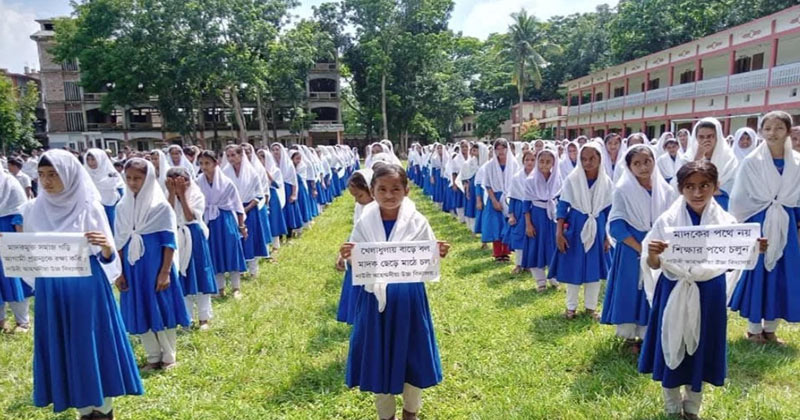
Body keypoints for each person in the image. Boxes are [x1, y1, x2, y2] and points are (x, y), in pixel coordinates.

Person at [638, 160, 767, 420]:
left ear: (716, 187)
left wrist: (750, 250)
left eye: (704, 186)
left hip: (709, 291)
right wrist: (652, 254)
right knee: (671, 339)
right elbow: (653, 264)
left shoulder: (726, 222)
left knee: (702, 347)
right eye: (690, 186)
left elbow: (731, 264)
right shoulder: (668, 220)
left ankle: (693, 406)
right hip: (674, 287)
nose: (697, 193)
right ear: (681, 189)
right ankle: (672, 404)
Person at [26, 150, 142, 419]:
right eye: (42, 175)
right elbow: (29, 254)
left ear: (69, 174)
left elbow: (108, 254)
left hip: (86, 289)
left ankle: (103, 408)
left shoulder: (89, 206)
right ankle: (81, 408)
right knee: (66, 345)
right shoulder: (33, 209)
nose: (47, 181)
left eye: (54, 174)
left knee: (90, 341)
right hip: (52, 290)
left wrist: (103, 246)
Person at [339, 163, 449, 420]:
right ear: (373, 191)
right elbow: (358, 259)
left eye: (395, 189)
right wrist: (349, 256)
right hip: (375, 302)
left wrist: (437, 252)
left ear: (406, 190)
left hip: (408, 300)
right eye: (383, 189)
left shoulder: (418, 221)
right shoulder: (365, 221)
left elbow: (427, 256)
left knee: (412, 355)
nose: (389, 195)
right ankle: (385, 415)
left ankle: (411, 412)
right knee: (379, 355)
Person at [729, 111, 800, 344]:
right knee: (757, 274)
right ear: (761, 131)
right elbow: (740, 199)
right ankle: (753, 329)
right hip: (758, 224)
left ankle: (770, 328)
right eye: (767, 128)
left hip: (786, 225)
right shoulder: (752, 163)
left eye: (779, 128)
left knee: (781, 274)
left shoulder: (797, 163)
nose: (772, 133)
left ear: (788, 131)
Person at [115, 158, 191, 371]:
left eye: (137, 178)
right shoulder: (122, 206)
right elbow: (119, 241)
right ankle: (152, 355)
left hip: (155, 266)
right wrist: (119, 271)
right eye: (128, 178)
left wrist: (165, 271)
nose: (132, 183)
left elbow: (169, 242)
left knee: (161, 307)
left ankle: (169, 355)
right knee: (141, 308)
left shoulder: (160, 207)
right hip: (133, 267)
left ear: (147, 179)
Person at [601, 145, 677, 352]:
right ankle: (630, 337)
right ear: (629, 167)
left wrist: (658, 246)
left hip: (658, 248)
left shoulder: (666, 190)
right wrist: (640, 247)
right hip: (631, 249)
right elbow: (616, 225)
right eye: (637, 163)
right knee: (631, 290)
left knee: (655, 289)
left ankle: (648, 336)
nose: (643, 167)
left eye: (647, 161)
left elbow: (672, 220)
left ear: (654, 161)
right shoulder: (623, 190)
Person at [549, 142, 612, 320]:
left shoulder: (606, 182)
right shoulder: (573, 179)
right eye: (583, 159)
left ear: (600, 158)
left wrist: (607, 237)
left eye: (592, 158)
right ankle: (571, 307)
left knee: (594, 270)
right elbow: (562, 207)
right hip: (576, 226)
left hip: (598, 227)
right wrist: (559, 233)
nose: (588, 163)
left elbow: (608, 211)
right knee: (574, 267)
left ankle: (591, 307)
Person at [166, 167, 217, 331]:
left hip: (194, 234)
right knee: (182, 275)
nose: (180, 184)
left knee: (200, 274)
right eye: (174, 182)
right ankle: (186, 317)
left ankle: (204, 317)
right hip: (177, 235)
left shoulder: (196, 194)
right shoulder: (166, 196)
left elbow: (190, 216)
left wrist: (182, 195)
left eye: (183, 180)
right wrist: (172, 194)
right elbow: (168, 215)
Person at [196, 151, 247, 299]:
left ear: (215, 163)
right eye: (201, 163)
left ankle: (236, 287)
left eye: (207, 163)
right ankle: (220, 288)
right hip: (208, 221)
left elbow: (237, 205)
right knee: (214, 253)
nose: (204, 167)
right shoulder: (198, 182)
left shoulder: (226, 183)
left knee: (231, 251)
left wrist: (241, 225)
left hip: (225, 221)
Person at [223, 145, 269, 277]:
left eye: (233, 155)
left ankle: (253, 270)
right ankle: (240, 269)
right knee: (236, 239)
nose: (231, 158)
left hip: (250, 209)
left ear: (240, 155)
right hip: (231, 210)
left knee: (250, 238)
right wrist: (234, 208)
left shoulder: (252, 172)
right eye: (228, 156)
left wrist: (245, 209)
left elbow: (258, 194)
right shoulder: (225, 173)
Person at [335, 169, 374, 325]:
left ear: (371, 190)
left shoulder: (382, 210)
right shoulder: (360, 207)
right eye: (354, 197)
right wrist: (343, 255)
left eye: (360, 195)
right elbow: (355, 232)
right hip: (357, 258)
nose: (357, 201)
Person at [521, 147, 561, 291]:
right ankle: (540, 281)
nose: (544, 165)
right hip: (537, 216)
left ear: (554, 164)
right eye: (541, 161)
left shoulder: (557, 179)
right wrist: (528, 224)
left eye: (548, 162)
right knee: (536, 247)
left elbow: (561, 199)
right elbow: (526, 203)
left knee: (552, 246)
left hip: (552, 217)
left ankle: (553, 277)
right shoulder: (531, 180)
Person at [677, 118, 737, 210]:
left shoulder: (729, 159)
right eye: (701, 137)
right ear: (696, 138)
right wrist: (698, 157)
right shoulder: (687, 158)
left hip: (722, 203)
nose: (706, 140)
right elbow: (681, 183)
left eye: (710, 136)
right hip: (693, 203)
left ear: (716, 137)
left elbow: (733, 186)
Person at [0, 169, 30, 333]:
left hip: (8, 235)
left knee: (12, 277)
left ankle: (22, 321)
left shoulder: (9, 184)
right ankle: (1, 321)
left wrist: (20, 240)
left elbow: (21, 211)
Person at [482, 139, 519, 262]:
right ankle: (498, 253)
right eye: (498, 148)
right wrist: (493, 200)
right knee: (496, 224)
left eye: (503, 148)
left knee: (508, 223)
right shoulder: (490, 165)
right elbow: (487, 184)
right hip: (495, 196)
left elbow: (517, 183)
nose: (500, 151)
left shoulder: (514, 164)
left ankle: (506, 252)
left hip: (510, 196)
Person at [505, 150, 536, 274]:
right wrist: (511, 214)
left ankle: (529, 263)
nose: (529, 162)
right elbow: (512, 197)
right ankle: (518, 263)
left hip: (534, 209)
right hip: (519, 208)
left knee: (533, 236)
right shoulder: (517, 177)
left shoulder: (539, 177)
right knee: (519, 235)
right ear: (523, 161)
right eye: (527, 160)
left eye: (532, 160)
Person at [84, 148, 125, 233]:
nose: (90, 163)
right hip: (92, 207)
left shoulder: (112, 173)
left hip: (111, 205)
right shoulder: (85, 174)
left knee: (114, 230)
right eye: (88, 160)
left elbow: (121, 188)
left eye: (93, 159)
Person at [272, 143, 303, 236]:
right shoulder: (272, 164)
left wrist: (294, 194)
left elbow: (294, 180)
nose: (275, 152)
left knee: (289, 211)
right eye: (273, 150)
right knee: (279, 211)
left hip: (287, 189)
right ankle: (280, 234)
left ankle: (290, 232)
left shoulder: (288, 164)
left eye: (277, 149)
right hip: (277, 189)